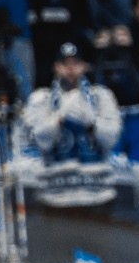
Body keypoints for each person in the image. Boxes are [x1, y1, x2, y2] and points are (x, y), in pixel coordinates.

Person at [21, 43, 124, 208]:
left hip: (98, 194)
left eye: (75, 63)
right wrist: (59, 119)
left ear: (84, 66)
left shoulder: (101, 96)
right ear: (56, 67)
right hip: (54, 196)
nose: (70, 69)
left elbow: (111, 139)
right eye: (64, 64)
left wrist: (91, 123)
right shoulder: (41, 99)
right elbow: (41, 142)